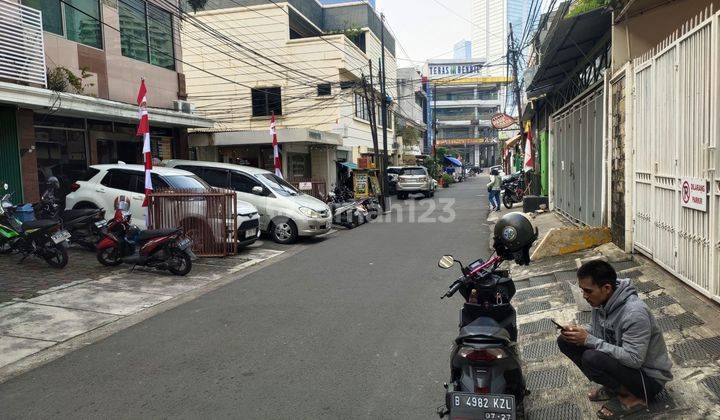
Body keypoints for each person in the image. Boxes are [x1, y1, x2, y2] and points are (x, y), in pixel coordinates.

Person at [557, 260, 673, 419]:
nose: (584, 296)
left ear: (606, 288)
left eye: (588, 291)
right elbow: (597, 330)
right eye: (582, 290)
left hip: (648, 379)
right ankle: (615, 387)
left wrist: (589, 340)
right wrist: (579, 331)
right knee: (565, 341)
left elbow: (634, 359)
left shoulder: (634, 313)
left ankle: (632, 396)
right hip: (626, 366)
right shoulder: (600, 302)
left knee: (592, 357)